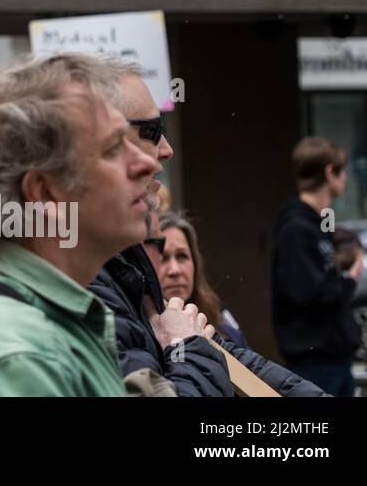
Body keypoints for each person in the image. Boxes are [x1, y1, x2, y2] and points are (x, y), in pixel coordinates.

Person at [0, 53, 159, 397]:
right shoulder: (16, 358)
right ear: (44, 192)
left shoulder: (53, 325)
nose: (148, 163)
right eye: (112, 149)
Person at [92, 62, 323, 397]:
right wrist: (186, 346)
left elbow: (244, 368)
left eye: (181, 255)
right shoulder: (82, 291)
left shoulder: (125, 276)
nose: (165, 151)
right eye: (152, 131)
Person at [273, 136, 365, 397]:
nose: (346, 178)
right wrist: (350, 279)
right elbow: (311, 294)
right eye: (342, 171)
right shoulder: (297, 228)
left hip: (334, 359)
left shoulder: (315, 224)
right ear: (329, 172)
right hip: (315, 363)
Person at [154, 211, 247, 346]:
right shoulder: (139, 339)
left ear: (195, 264)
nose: (175, 270)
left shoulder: (227, 334)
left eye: (182, 256)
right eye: (163, 258)